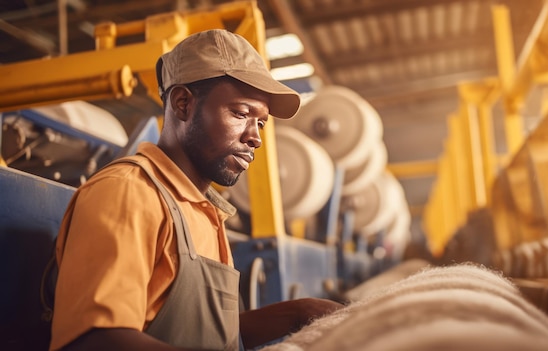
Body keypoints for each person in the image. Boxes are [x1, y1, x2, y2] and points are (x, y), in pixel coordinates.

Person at [49, 29, 343, 351]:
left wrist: (297, 314)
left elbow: (205, 333)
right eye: (241, 114)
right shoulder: (128, 194)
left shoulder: (203, 211)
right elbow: (94, 339)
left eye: (260, 123)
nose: (255, 137)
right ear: (183, 103)